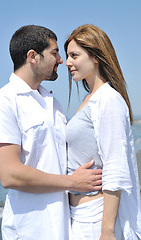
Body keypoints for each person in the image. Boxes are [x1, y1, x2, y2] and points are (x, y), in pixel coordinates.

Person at [0, 25, 102, 240]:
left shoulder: (52, 102)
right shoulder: (3, 103)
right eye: (55, 53)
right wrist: (73, 182)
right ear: (33, 56)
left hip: (64, 223)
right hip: (30, 228)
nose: (61, 61)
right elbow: (9, 175)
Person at [64, 24, 141, 240]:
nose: (68, 62)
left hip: (95, 218)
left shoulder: (108, 100)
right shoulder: (90, 100)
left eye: (74, 55)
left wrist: (106, 231)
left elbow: (115, 167)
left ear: (95, 57)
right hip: (79, 214)